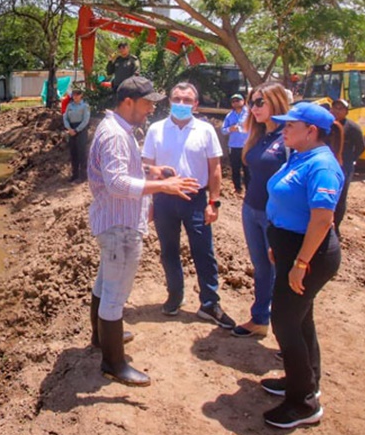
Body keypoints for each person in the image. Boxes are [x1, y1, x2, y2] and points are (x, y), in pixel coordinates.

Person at [88, 76, 200, 386]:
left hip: (112, 221)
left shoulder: (118, 130)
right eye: (147, 102)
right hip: (119, 225)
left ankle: (101, 337)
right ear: (127, 102)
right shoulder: (114, 135)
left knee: (104, 283)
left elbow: (125, 169)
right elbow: (118, 183)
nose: (152, 108)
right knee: (115, 295)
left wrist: (151, 170)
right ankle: (113, 363)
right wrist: (164, 185)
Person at [260, 102, 344, 429]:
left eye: (290, 126)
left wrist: (300, 262)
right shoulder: (300, 155)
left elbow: (322, 220)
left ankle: (303, 403)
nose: (283, 130)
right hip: (290, 248)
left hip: (309, 255)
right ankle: (307, 379)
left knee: (284, 321)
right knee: (300, 316)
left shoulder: (322, 165)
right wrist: (278, 248)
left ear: (311, 132)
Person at [142, 82, 236, 328]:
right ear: (169, 101)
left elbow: (215, 168)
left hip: (195, 199)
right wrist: (150, 201)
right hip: (163, 198)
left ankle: (209, 302)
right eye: (177, 98)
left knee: (203, 251)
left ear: (195, 104)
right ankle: (175, 296)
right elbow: (147, 167)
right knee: (168, 250)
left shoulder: (205, 130)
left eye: (187, 100)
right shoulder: (156, 129)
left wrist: (213, 202)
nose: (181, 104)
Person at [231, 83, 291, 338]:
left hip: (275, 216)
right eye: (251, 102)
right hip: (251, 210)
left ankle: (288, 333)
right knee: (262, 268)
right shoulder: (257, 135)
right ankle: (259, 319)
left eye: (259, 102)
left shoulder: (288, 137)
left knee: (282, 273)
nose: (252, 108)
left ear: (276, 102)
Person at [329, 98, 365, 237]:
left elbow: (361, 147)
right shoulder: (327, 125)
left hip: (344, 167)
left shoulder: (353, 128)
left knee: (340, 197)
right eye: (334, 108)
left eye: (340, 109)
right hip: (327, 164)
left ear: (346, 112)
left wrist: (351, 160)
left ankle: (336, 227)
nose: (336, 111)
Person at [221, 93, 250, 194]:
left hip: (247, 145)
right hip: (234, 146)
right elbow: (223, 130)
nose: (235, 103)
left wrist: (241, 128)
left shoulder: (250, 113)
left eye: (238, 100)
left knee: (248, 169)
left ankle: (249, 190)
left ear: (243, 101)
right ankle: (237, 189)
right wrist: (230, 128)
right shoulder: (229, 115)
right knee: (235, 168)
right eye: (233, 101)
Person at [63, 88, 91, 183]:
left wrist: (77, 130)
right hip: (71, 129)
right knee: (73, 152)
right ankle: (74, 174)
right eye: (74, 95)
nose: (75, 96)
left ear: (81, 95)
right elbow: (65, 117)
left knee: (82, 153)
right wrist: (69, 128)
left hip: (81, 130)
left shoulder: (84, 106)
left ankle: (83, 176)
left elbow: (85, 120)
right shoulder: (70, 106)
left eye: (77, 94)